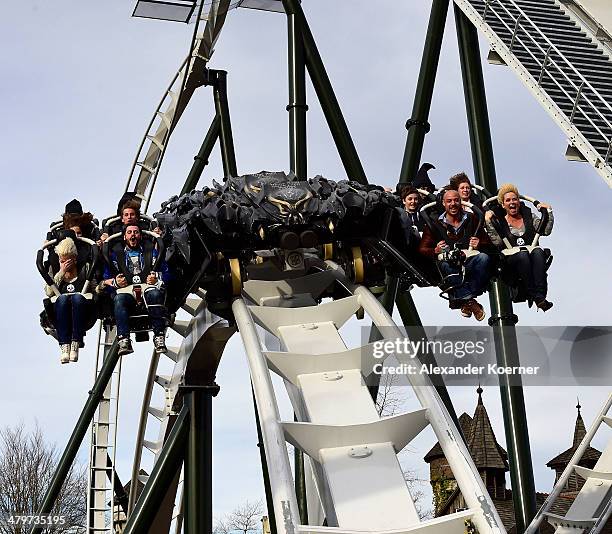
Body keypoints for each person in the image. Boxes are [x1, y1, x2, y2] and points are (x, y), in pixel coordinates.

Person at [419, 188, 493, 321]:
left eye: (456, 200)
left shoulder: (472, 218)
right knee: (447, 266)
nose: (453, 204)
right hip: (449, 263)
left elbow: (487, 242)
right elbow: (423, 249)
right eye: (449, 201)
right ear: (443, 203)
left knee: (484, 258)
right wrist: (435, 250)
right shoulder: (434, 223)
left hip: (468, 259)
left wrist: (479, 243)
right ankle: (470, 302)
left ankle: (463, 299)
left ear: (461, 202)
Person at [102, 223, 170, 356]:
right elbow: (105, 279)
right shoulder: (116, 254)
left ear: (140, 235)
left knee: (155, 294)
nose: (133, 235)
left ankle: (159, 335)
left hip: (148, 286)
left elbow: (167, 273)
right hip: (125, 289)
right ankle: (124, 338)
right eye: (129, 232)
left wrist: (156, 278)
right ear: (124, 237)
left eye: (136, 232)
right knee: (119, 299)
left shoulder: (151, 251)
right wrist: (116, 282)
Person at [485, 183, 554, 311]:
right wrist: (489, 223)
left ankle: (540, 296)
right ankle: (534, 295)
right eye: (508, 200)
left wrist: (548, 212)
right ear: (503, 204)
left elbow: (545, 231)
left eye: (514, 199)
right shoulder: (499, 221)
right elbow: (497, 241)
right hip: (511, 262)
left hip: (531, 255)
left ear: (518, 201)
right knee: (522, 255)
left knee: (538, 252)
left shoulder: (528, 216)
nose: (512, 202)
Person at [44, 237, 95, 364]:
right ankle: (64, 344)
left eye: (69, 260)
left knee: (77, 298)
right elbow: (49, 292)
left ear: (75, 259)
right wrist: (61, 272)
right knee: (62, 299)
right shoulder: (55, 269)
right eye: (62, 260)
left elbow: (95, 288)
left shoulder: (85, 268)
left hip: (82, 308)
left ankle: (75, 342)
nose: (66, 263)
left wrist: (102, 287)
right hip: (62, 309)